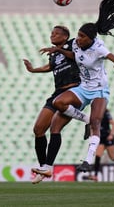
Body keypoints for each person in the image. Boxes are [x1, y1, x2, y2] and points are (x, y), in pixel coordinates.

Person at [32, 0, 114, 179]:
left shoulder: (99, 48)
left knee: (97, 122)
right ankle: (48, 167)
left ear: (91, 39)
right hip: (83, 88)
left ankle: (88, 162)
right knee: (57, 112)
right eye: (78, 35)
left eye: (82, 37)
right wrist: (58, 51)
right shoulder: (76, 44)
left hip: (99, 90)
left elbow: (112, 58)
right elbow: (73, 55)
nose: (78, 39)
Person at [23, 25, 89, 184]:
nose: (52, 35)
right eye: (51, 32)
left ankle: (88, 119)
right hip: (57, 93)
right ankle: (44, 167)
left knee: (55, 128)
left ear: (65, 37)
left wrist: (58, 50)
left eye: (56, 33)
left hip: (74, 91)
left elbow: (77, 57)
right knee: (38, 129)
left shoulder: (73, 44)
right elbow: (50, 67)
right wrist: (33, 70)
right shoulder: (53, 54)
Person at [88, 109, 114, 181]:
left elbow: (113, 124)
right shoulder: (94, 113)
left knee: (112, 157)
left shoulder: (105, 113)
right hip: (100, 137)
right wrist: (92, 136)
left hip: (108, 137)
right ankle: (95, 175)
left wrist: (111, 135)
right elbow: (92, 126)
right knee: (98, 155)